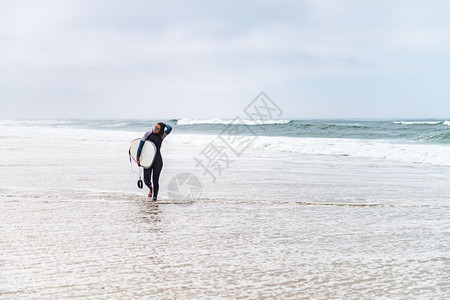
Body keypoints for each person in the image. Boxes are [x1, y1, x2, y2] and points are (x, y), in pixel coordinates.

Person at [136, 122, 172, 200]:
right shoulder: (148, 134)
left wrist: (164, 124)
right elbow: (141, 145)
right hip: (148, 160)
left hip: (157, 160)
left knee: (155, 180)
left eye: (158, 128)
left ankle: (154, 199)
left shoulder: (162, 135)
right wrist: (138, 157)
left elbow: (170, 128)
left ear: (161, 130)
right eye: (155, 127)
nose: (155, 129)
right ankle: (151, 189)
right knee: (146, 180)